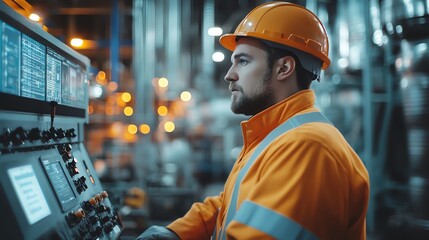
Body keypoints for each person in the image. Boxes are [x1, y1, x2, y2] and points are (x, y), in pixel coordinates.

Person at [137, 1, 369, 239]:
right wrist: (177, 233)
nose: (229, 74)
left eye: (243, 61)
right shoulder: (273, 137)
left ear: (284, 68)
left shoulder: (307, 146)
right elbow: (231, 204)